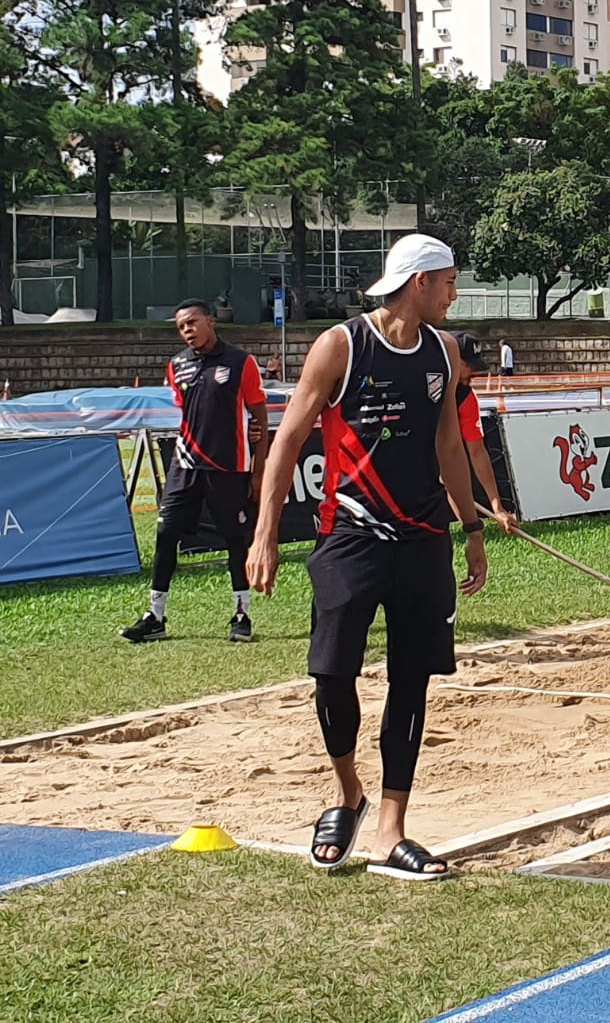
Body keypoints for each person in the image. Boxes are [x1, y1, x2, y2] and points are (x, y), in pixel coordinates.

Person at [246, 233, 488, 881]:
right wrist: (265, 531)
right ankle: (347, 791)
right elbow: (288, 439)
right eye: (448, 282)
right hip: (350, 535)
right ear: (418, 283)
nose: (454, 295)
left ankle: (391, 830)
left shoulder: (441, 352)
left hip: (421, 538)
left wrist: (470, 528)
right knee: (331, 673)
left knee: (412, 681)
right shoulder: (341, 346)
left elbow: (448, 449)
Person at [123, 299, 269, 645]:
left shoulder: (241, 363)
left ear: (210, 321)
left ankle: (241, 614)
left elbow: (259, 417)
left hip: (228, 467)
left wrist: (258, 469)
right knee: (165, 534)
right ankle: (155, 616)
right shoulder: (177, 366)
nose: (187, 331)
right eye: (181, 327)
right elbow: (188, 412)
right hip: (185, 465)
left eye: (192, 323)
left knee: (235, 540)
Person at [449, 330, 516, 534]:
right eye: (468, 365)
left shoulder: (466, 399)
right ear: (451, 359)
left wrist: (497, 506)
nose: (474, 373)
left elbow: (477, 452)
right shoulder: (416, 386)